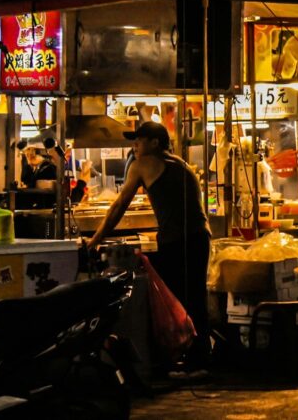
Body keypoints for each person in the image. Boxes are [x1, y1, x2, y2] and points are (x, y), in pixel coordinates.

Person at [85, 122, 212, 373]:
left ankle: (183, 360)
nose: (135, 146)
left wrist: (95, 240)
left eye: (139, 141)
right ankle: (199, 357)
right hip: (200, 237)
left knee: (172, 300)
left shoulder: (143, 164)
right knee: (194, 297)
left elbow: (119, 205)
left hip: (177, 240)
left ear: (155, 143)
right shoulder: (181, 163)